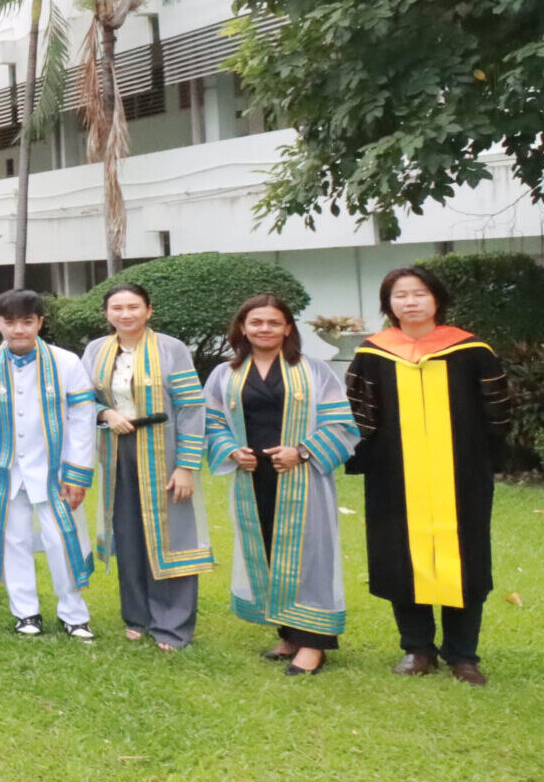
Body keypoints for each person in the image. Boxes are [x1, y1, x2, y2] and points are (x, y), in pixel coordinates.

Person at [343, 266, 511, 686]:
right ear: (389, 305)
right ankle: (417, 649)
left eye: (419, 294)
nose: (411, 302)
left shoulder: (472, 350)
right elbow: (358, 413)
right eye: (400, 295)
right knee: (401, 554)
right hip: (393, 473)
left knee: (465, 557)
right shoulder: (374, 352)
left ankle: (463, 655)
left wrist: (490, 455)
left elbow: (499, 410)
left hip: (463, 472)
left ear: (437, 300)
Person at [204, 294, 360, 677]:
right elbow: (210, 422)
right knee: (270, 551)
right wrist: (229, 450)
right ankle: (290, 635)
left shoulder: (314, 371)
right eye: (256, 322)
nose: (264, 329)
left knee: (310, 557)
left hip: (303, 478)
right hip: (252, 477)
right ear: (242, 327)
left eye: (274, 322)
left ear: (288, 328)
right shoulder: (226, 374)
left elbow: (342, 424)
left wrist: (302, 452)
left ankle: (314, 644)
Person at [85, 283, 214, 651]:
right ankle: (137, 616)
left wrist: (187, 466)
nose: (126, 314)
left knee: (172, 534)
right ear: (107, 313)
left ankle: (173, 624)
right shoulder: (97, 349)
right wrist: (105, 412)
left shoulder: (171, 348)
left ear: (149, 310)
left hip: (165, 450)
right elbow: (81, 398)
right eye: (117, 308)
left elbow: (191, 406)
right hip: (118, 450)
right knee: (127, 531)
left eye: (133, 307)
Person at [0, 290, 100, 640]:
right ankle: (25, 613)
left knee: (62, 539)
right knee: (14, 540)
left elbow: (82, 417)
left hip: (53, 470)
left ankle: (74, 614)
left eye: (27, 322)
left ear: (40, 323)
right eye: (10, 322)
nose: (19, 330)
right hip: (5, 470)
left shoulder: (66, 362)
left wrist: (77, 471)